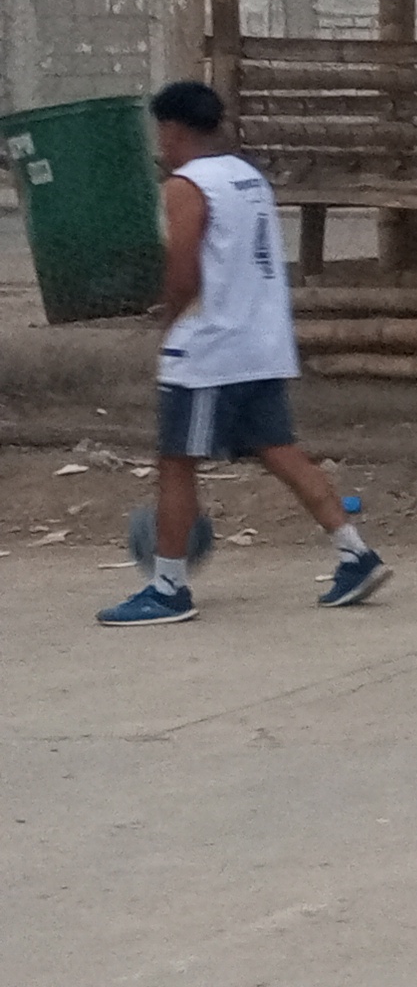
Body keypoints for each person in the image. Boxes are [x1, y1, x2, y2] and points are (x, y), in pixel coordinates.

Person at [97, 81, 392, 627]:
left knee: (176, 462)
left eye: (160, 132)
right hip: (261, 341)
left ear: (172, 129)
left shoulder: (187, 184)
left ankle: (168, 587)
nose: (159, 143)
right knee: (280, 450)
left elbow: (183, 269)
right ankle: (356, 553)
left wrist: (169, 320)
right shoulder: (247, 176)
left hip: (211, 348)